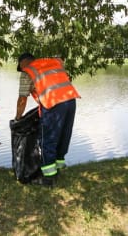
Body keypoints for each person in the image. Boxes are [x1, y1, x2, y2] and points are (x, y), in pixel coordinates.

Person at [15, 52, 80, 186]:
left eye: (20, 67)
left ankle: (49, 178)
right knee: (63, 135)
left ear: (23, 63)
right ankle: (59, 166)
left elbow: (22, 99)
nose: (21, 70)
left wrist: (18, 119)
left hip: (53, 104)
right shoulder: (53, 62)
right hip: (70, 100)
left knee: (47, 138)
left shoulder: (28, 72)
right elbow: (60, 60)